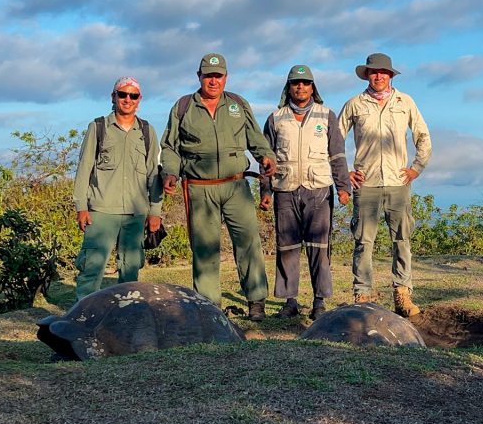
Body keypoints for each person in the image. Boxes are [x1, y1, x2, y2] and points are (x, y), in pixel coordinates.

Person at [160, 52, 277, 320]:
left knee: (248, 242)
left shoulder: (237, 104)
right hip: (200, 187)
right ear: (199, 76)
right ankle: (208, 306)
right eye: (208, 76)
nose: (213, 81)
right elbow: (170, 146)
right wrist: (170, 172)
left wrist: (266, 157)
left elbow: (255, 138)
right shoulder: (183, 106)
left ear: (226, 77)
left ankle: (256, 301)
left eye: (218, 76)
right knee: (205, 247)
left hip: (236, 185)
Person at [338, 52, 432, 316]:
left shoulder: (406, 102)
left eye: (383, 72)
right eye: (373, 72)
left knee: (401, 240)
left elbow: (423, 136)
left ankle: (402, 294)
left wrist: (416, 168)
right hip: (365, 183)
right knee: (363, 241)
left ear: (390, 75)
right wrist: (344, 173)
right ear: (367, 75)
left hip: (397, 182)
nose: (378, 76)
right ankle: (362, 295)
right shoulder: (355, 104)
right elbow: (334, 140)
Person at [259, 64, 352, 321]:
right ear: (288, 87)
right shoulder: (275, 118)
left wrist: (343, 187)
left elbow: (338, 155)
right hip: (285, 189)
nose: (300, 87)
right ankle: (290, 302)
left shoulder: (327, 116)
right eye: (295, 83)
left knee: (319, 246)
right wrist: (265, 191)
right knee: (287, 246)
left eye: (305, 83)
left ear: (313, 87)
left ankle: (319, 301)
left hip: (319, 189)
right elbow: (266, 159)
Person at [72, 76, 163, 299]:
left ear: (139, 99)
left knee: (130, 270)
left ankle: (127, 318)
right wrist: (81, 207)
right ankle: (82, 318)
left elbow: (154, 173)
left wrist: (155, 212)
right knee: (91, 269)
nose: (127, 99)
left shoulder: (147, 131)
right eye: (122, 94)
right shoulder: (98, 127)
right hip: (101, 210)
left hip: (136, 213)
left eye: (133, 95)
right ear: (113, 97)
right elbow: (84, 168)